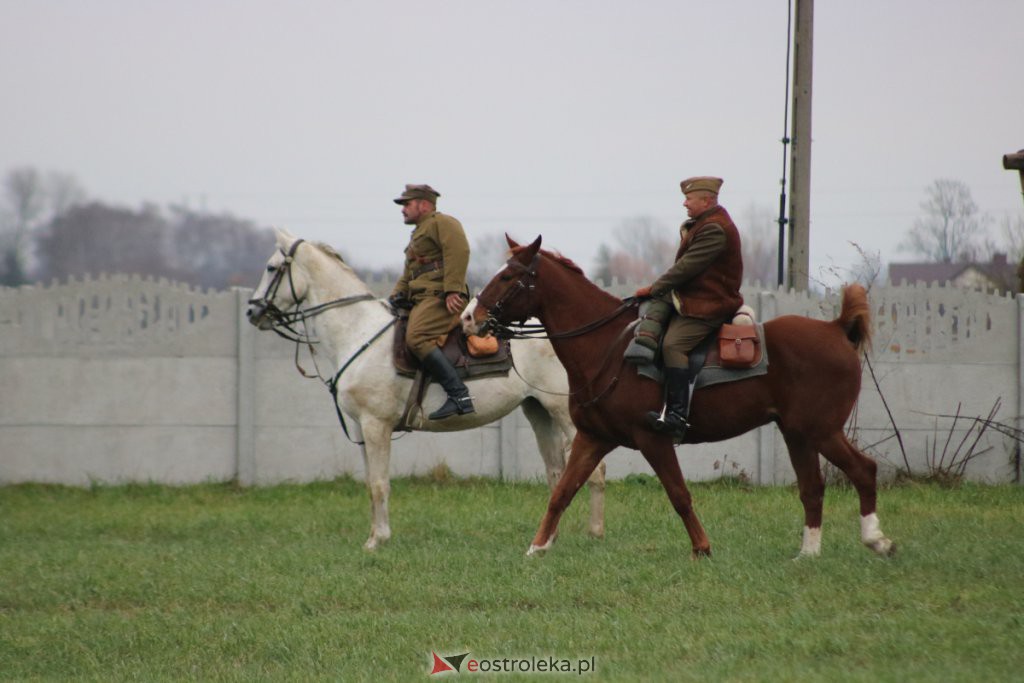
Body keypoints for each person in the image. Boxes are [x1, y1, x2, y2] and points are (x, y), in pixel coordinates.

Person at [634, 176, 744, 437]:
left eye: (689, 199)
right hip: (695, 300)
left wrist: (653, 289)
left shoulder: (714, 229)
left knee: (673, 345)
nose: (684, 203)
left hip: (709, 306)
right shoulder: (704, 223)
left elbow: (686, 267)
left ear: (706, 200)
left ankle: (677, 416)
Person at [389, 184, 475, 420]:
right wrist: (396, 295)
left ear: (424, 204)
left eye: (407, 204)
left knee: (416, 337)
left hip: (441, 297)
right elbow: (410, 273)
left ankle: (459, 395)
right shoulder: (418, 233)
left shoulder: (443, 222)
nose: (403, 209)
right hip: (422, 297)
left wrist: (452, 291)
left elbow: (460, 252)